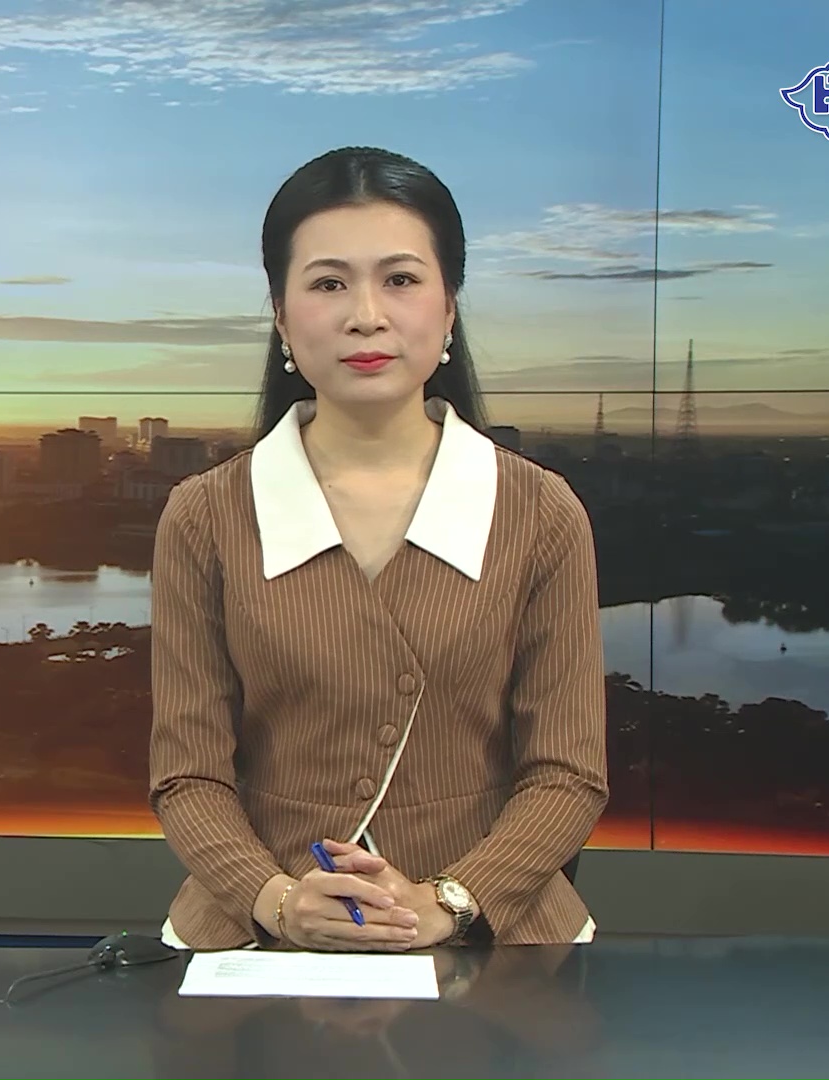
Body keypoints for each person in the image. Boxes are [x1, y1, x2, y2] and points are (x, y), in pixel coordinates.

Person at [148, 146, 608, 953]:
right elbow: (187, 775)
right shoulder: (204, 516)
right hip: (257, 932)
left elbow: (567, 774)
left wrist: (447, 902)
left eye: (400, 279)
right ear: (282, 316)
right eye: (329, 284)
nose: (366, 315)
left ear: (449, 308)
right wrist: (279, 902)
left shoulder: (541, 513)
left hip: (491, 933)